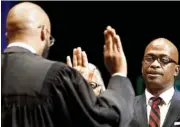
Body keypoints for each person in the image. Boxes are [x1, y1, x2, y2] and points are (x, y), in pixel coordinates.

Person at [1, 2, 135, 127]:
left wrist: (78, 88)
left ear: (7, 35)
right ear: (43, 32)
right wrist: (119, 74)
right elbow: (104, 120)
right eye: (50, 40)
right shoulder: (55, 76)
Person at [130, 38, 180, 127]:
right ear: (142, 67)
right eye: (149, 59)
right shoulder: (127, 107)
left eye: (164, 60)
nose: (154, 64)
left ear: (176, 70)